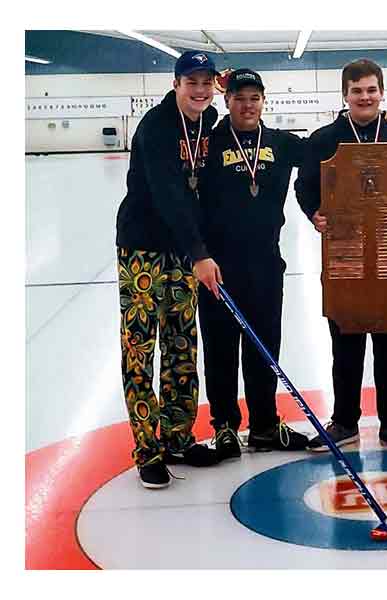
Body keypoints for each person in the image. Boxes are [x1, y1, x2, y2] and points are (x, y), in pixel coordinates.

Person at [295, 58, 387, 453]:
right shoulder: (324, 138)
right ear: (345, 95)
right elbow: (305, 187)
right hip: (344, 249)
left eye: (371, 90)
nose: (365, 97)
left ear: (382, 92)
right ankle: (344, 421)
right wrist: (314, 214)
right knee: (346, 341)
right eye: (357, 91)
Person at [116, 51, 223, 489]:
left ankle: (178, 437)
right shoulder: (156, 127)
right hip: (143, 249)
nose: (199, 90)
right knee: (141, 349)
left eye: (206, 81)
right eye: (190, 81)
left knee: (182, 344)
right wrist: (199, 253)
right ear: (176, 83)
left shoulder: (207, 117)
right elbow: (168, 195)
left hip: (181, 251)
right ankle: (147, 450)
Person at [197, 69, 309, 458]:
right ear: (226, 101)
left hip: (265, 264)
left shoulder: (279, 143)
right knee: (220, 349)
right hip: (218, 267)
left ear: (264, 101)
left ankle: (264, 424)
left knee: (264, 348)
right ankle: (225, 427)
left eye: (254, 98)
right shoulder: (207, 143)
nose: (247, 105)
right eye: (239, 97)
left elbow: (328, 150)